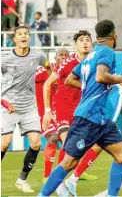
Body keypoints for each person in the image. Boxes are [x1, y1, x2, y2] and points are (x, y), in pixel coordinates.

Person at [38, 19, 122, 197]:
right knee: (69, 162)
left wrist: (88, 86)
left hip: (101, 118)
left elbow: (70, 80)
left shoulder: (92, 55)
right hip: (89, 117)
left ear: (97, 37)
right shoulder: (106, 51)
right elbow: (101, 76)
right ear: (114, 35)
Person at [42, 31, 98, 195]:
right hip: (62, 107)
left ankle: (71, 180)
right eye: (81, 40)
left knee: (93, 145)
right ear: (76, 45)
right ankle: (58, 183)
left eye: (88, 40)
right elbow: (47, 84)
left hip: (80, 109)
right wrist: (47, 111)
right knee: (70, 145)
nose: (85, 43)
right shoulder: (68, 62)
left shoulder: (94, 63)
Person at [1, 26, 48, 193]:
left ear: (29, 37)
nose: (23, 36)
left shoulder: (38, 55)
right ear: (14, 39)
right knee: (4, 144)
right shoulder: (5, 60)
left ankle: (21, 180)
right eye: (19, 34)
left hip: (29, 106)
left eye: (26, 34)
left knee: (36, 143)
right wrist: (5, 103)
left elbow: (49, 66)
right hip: (8, 106)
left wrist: (52, 75)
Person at [36, 48, 69, 183]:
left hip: (63, 111)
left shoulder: (70, 71)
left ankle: (72, 172)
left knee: (71, 142)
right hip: (46, 112)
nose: (64, 57)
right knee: (53, 138)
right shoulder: (45, 70)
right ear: (55, 58)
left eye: (66, 55)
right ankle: (47, 176)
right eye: (60, 55)